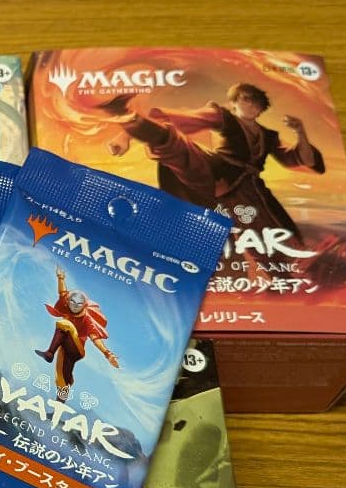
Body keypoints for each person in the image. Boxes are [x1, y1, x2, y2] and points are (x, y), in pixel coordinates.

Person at [102, 83, 324, 235]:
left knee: (275, 236)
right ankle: (128, 117)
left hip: (251, 191)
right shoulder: (222, 116)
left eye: (256, 102)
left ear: (261, 108)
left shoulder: (269, 136)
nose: (251, 105)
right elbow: (176, 119)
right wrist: (125, 135)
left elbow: (301, 159)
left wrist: (301, 132)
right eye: (246, 99)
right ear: (234, 102)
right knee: (179, 147)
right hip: (216, 172)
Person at [36, 267, 118, 402]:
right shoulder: (66, 306)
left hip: (76, 348)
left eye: (78, 304)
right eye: (72, 303)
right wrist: (61, 278)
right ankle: (59, 406)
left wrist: (107, 353)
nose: (74, 306)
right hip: (65, 348)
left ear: (84, 305)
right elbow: (62, 293)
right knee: (62, 377)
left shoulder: (87, 319)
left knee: (65, 324)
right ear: (68, 302)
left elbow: (95, 338)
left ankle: (50, 353)